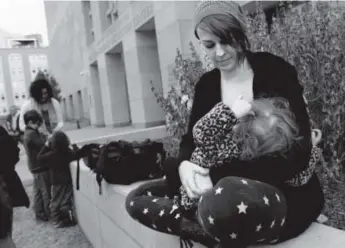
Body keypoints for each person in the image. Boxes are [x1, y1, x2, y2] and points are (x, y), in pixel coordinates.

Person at [126, 1, 324, 247]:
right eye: (209, 45)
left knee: (228, 198)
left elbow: (300, 150)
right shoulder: (207, 85)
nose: (219, 52)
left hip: (279, 190)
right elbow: (191, 139)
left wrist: (218, 176)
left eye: (226, 41)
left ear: (241, 34)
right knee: (137, 198)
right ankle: (203, 224)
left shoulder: (275, 70)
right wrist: (185, 167)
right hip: (215, 182)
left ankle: (210, 222)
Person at [178, 97, 323, 212]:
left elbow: (200, 131)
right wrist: (312, 151)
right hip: (210, 206)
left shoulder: (222, 145)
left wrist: (231, 113)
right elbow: (298, 178)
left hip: (191, 200)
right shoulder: (258, 161)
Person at [37, 131, 82, 228]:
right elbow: (78, 154)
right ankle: (66, 219)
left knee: (55, 201)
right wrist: (73, 145)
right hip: (67, 180)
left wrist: (46, 146)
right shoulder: (68, 153)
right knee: (65, 200)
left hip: (56, 181)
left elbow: (39, 158)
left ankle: (56, 220)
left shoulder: (51, 155)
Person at [0, 126, 30, 248]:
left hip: (4, 184)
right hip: (6, 182)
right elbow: (15, 152)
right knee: (5, 227)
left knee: (4, 231)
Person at [22, 110, 51, 221]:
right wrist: (45, 135)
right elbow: (44, 145)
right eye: (37, 123)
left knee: (38, 191)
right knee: (45, 191)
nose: (38, 125)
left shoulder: (27, 132)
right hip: (39, 166)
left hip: (34, 166)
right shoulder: (32, 134)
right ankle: (48, 213)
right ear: (30, 122)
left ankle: (40, 213)